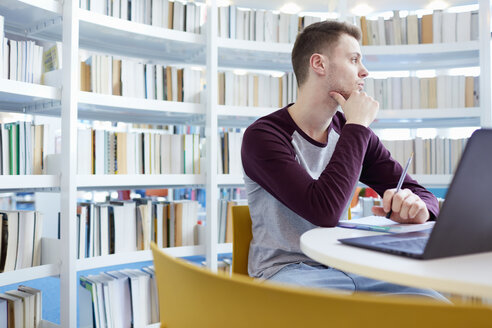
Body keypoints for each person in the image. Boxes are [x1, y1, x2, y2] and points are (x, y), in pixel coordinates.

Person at [241, 20, 447, 301]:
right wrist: (358, 125)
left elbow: (425, 195)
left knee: (439, 307)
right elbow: (324, 211)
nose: (364, 71)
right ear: (319, 64)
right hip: (287, 272)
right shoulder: (263, 136)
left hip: (347, 264)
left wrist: (419, 208)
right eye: (353, 59)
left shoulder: (350, 130)